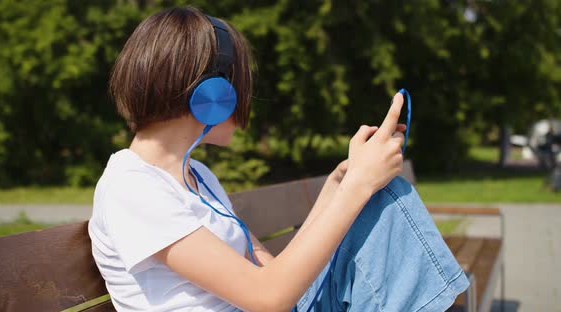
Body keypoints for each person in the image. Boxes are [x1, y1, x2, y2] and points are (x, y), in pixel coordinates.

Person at [88, 6, 469, 312]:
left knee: (384, 200)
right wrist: (359, 184)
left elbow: (269, 270)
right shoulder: (132, 187)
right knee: (376, 199)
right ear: (213, 95)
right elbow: (268, 297)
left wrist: (338, 189)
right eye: (240, 86)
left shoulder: (197, 176)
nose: (246, 101)